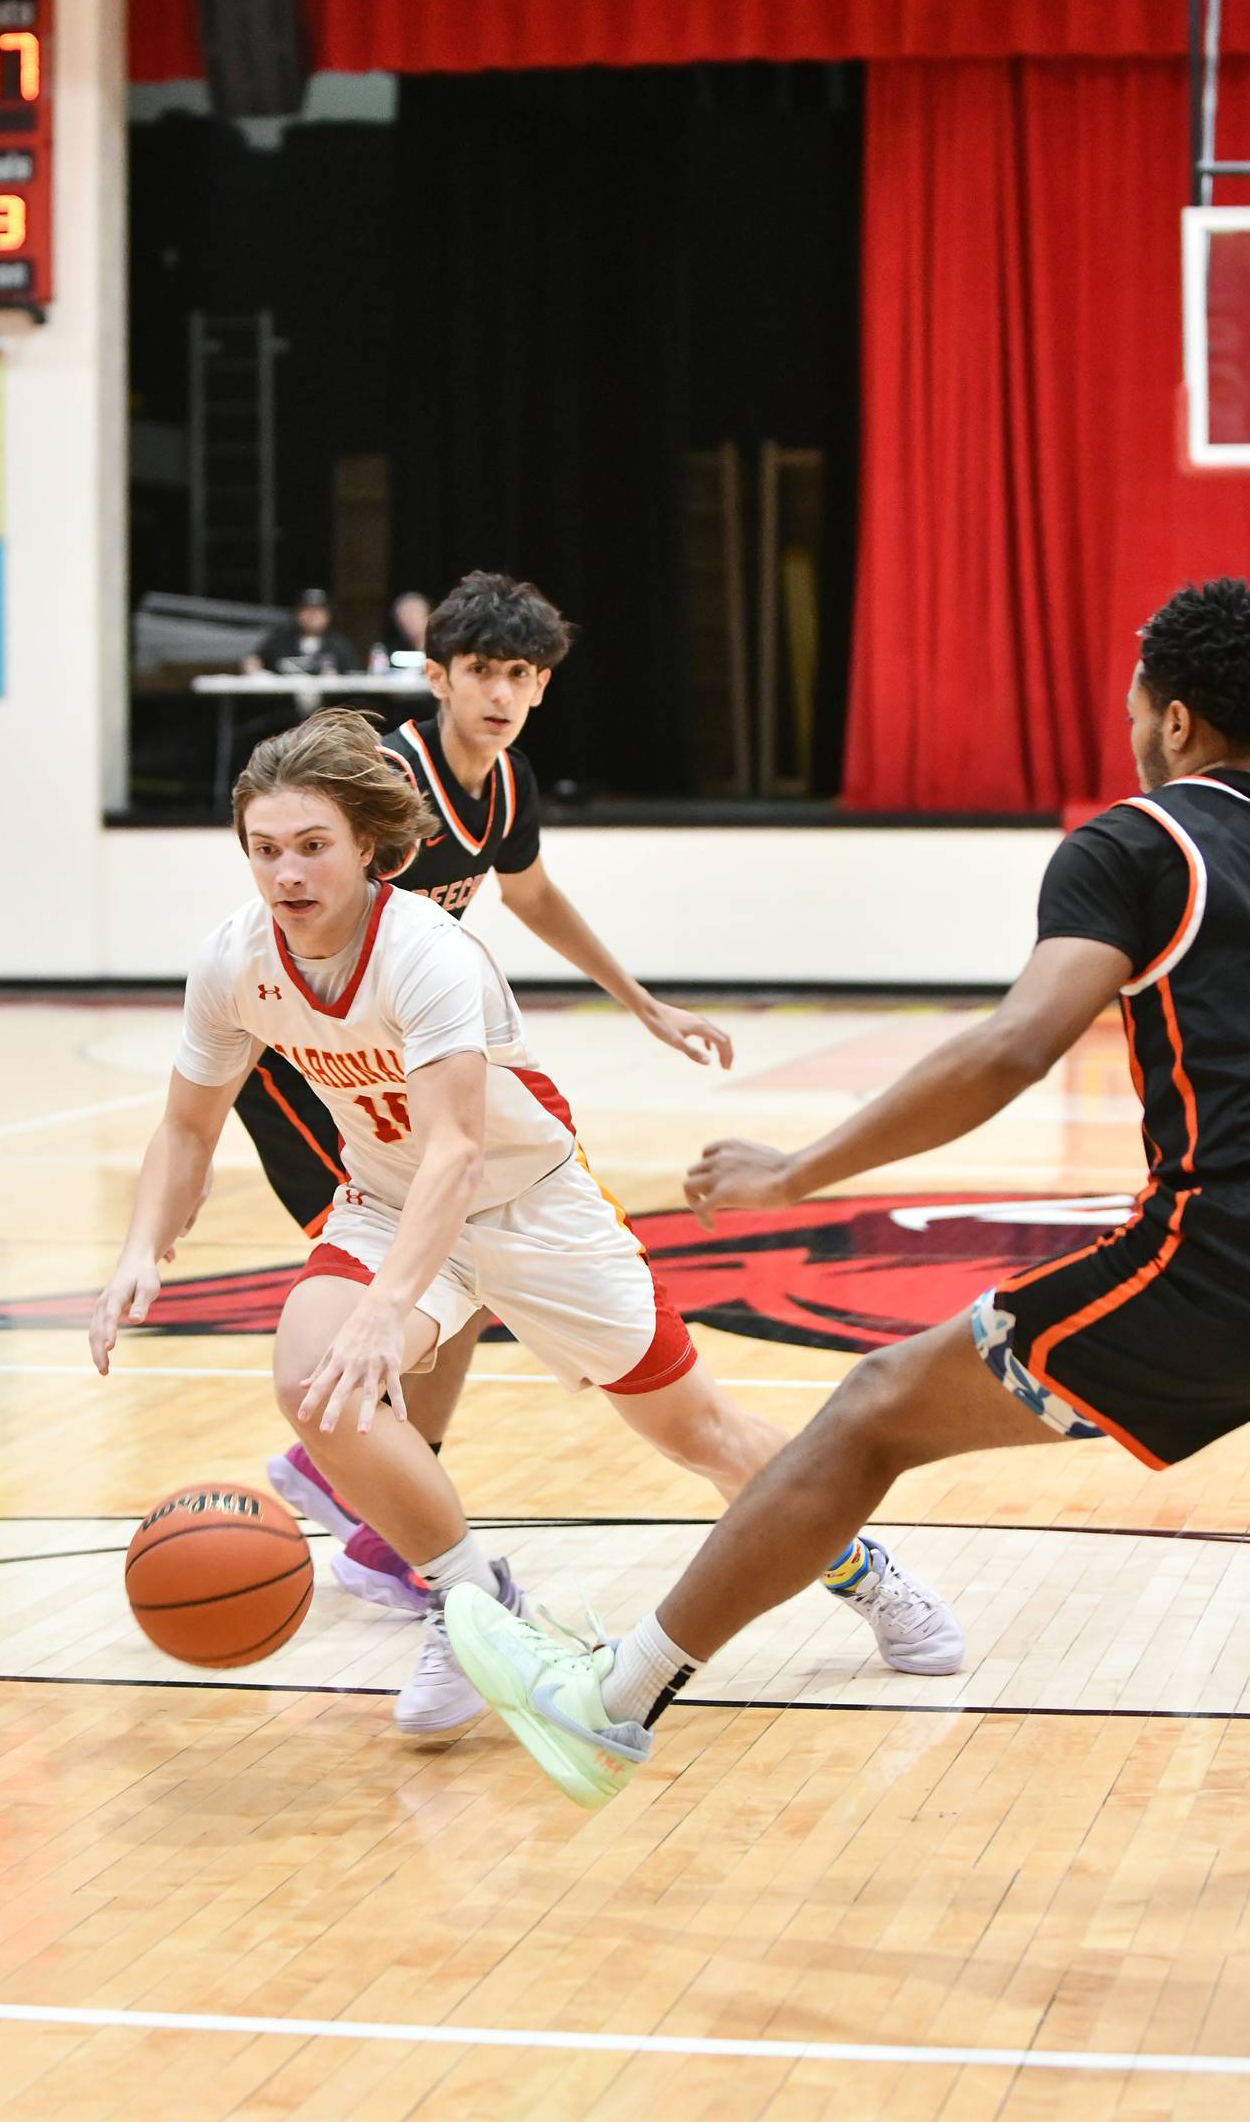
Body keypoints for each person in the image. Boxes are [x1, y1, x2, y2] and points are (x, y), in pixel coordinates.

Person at [441, 575, 1250, 1807]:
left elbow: (1013, 1048)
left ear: (1177, 719)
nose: (1134, 724)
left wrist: (795, 1172)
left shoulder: (1139, 843)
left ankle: (609, 1702)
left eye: (1140, 704)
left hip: (1221, 1255)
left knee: (871, 1411)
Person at [89, 709, 963, 1739]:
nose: (287, 872)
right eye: (265, 848)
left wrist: (390, 1311)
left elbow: (458, 1152)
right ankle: (472, 1606)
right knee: (315, 1381)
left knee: (701, 1435)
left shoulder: (427, 953)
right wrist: (141, 1247)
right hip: (387, 1200)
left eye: (313, 845)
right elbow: (188, 1125)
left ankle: (864, 1571)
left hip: (532, 1205)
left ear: (368, 846)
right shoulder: (234, 960)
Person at [239, 570, 752, 1612]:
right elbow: (301, 913)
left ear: (544, 685)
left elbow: (534, 895)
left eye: (522, 675)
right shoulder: (388, 782)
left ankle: (364, 1500)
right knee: (430, 1265)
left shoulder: (507, 783)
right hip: (313, 1075)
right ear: (437, 677)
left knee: (456, 1270)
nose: (502, 694)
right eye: (482, 671)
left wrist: (643, 1003)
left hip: (400, 1071)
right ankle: (369, 1495)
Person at [246, 587, 360, 678]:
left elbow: (353, 677)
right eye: (306, 610)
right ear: (297, 613)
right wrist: (253, 668)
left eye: (317, 611)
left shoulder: (339, 645)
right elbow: (255, 662)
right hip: (285, 699)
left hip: (326, 699)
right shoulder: (280, 641)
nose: (312, 617)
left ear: (328, 616)